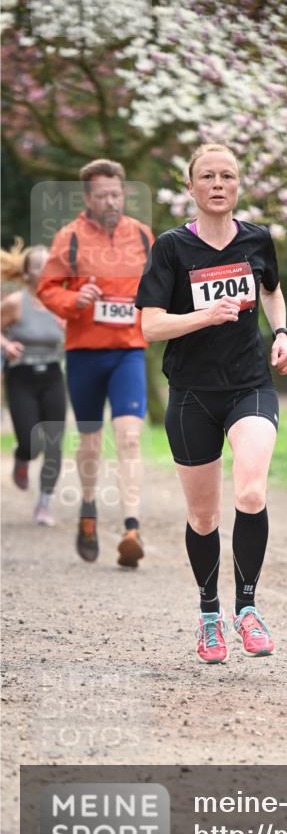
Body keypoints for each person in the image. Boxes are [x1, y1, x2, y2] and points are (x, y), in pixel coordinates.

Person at [136, 143, 287, 663]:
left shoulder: (257, 239)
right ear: (191, 187)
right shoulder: (171, 247)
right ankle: (209, 616)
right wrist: (205, 316)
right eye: (207, 176)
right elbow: (150, 325)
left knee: (250, 491)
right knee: (203, 517)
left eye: (227, 175)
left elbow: (271, 289)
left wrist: (282, 333)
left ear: (238, 185)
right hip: (192, 394)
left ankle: (247, 609)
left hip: (250, 385)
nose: (218, 184)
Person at [37, 159, 154, 567]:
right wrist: (75, 299)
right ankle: (88, 509)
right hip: (84, 353)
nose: (110, 201)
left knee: (130, 438)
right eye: (102, 195)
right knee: (90, 442)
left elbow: (160, 284)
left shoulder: (142, 235)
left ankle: (132, 529)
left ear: (124, 193)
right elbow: (47, 289)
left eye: (116, 194)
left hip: (128, 351)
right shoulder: (69, 238)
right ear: (87, 197)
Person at [1, 240, 66, 526]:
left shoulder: (61, 302)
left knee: (53, 443)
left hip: (52, 376)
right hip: (21, 378)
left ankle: (44, 504)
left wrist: (70, 325)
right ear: (28, 273)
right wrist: (6, 345)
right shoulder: (15, 303)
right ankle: (22, 455)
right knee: (31, 441)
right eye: (41, 266)